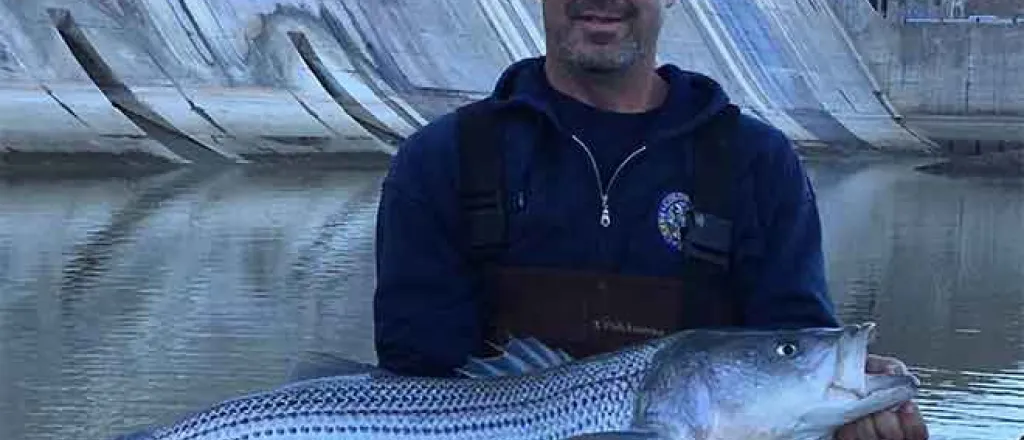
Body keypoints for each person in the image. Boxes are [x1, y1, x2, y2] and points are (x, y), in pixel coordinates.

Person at [372, 0, 928, 439]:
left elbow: (794, 344)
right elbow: (414, 379)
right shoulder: (440, 159)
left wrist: (845, 421)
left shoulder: (757, 164)